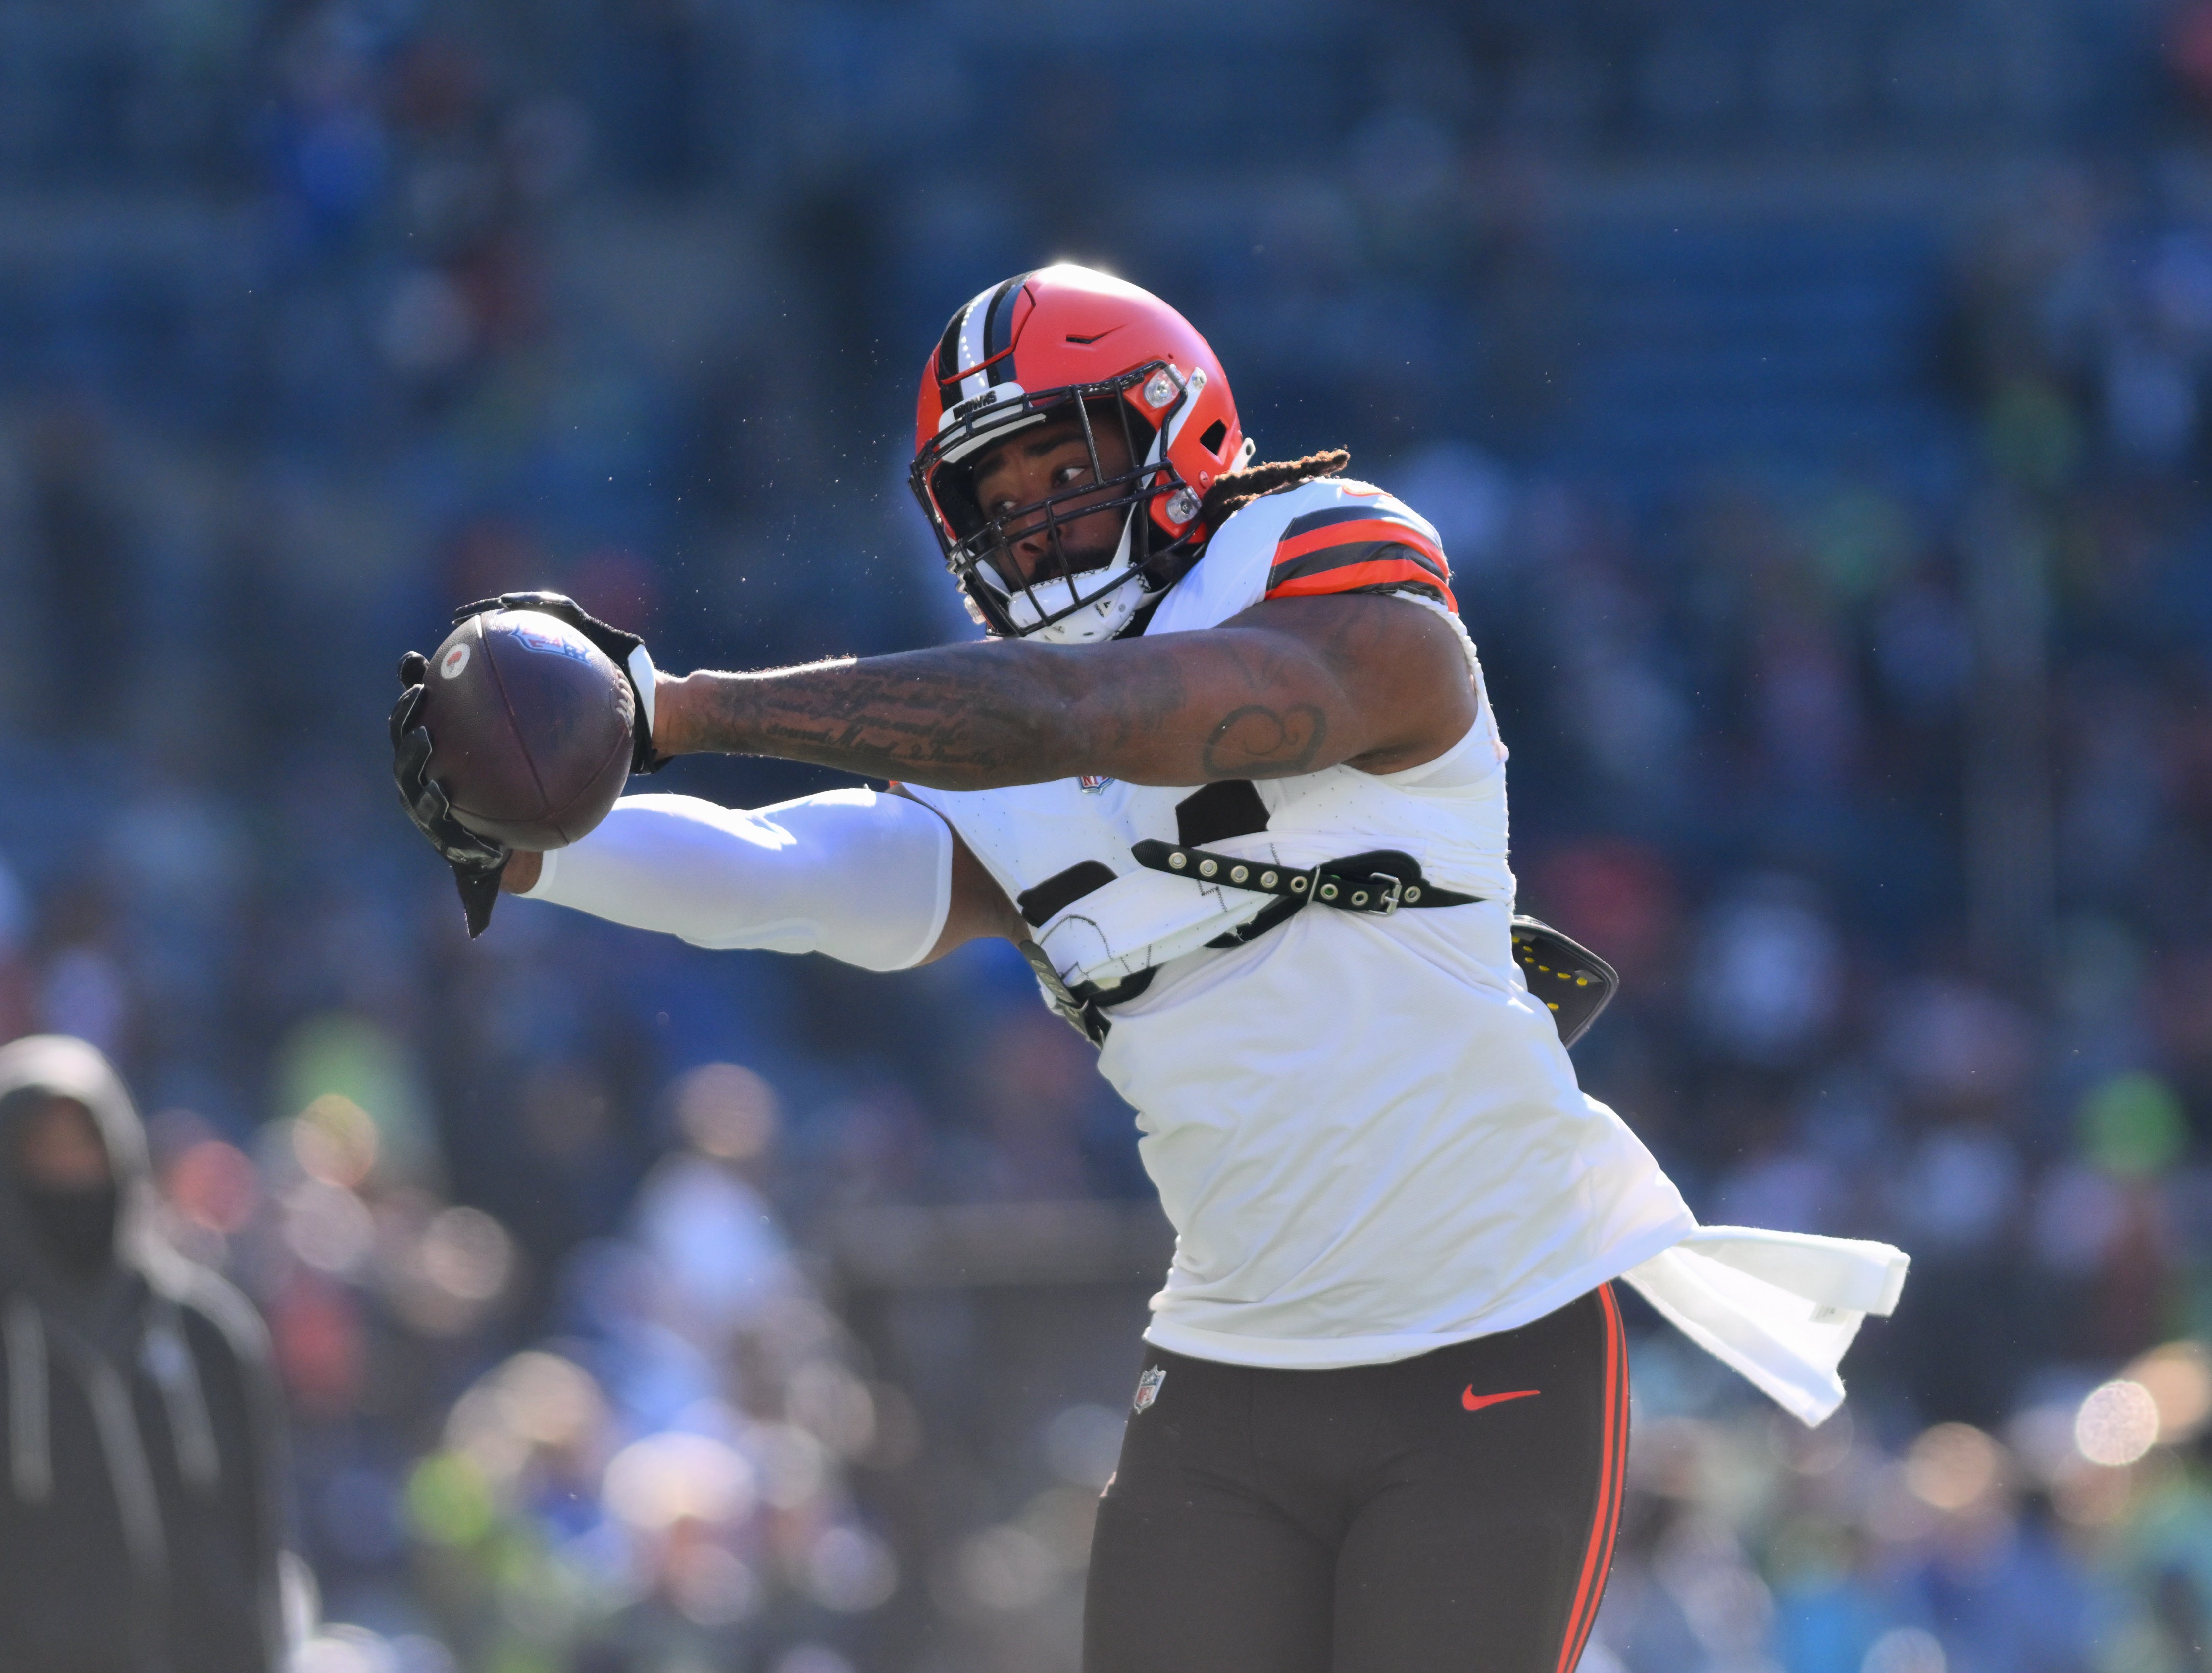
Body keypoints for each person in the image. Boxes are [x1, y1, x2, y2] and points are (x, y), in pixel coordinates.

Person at [389, 265, 1910, 1672]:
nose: (1038, 516)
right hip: (1236, 1362)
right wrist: (529, 836)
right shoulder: (1003, 748)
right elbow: (789, 878)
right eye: (996, 492)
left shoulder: (1331, 569)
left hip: (1489, 1334)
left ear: (1181, 433)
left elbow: (1096, 716)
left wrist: (676, 706)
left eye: (1065, 463)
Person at [0, 1036, 285, 1673]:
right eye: (42, 1154)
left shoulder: (207, 1336)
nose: (69, 1173)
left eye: (85, 1148)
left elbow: (258, 1551)